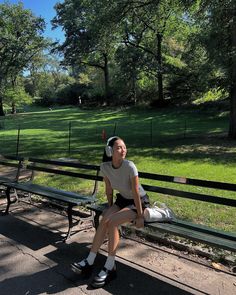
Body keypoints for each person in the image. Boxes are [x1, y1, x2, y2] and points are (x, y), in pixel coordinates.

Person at [71, 136, 150, 288]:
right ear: (109, 151)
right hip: (122, 200)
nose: (123, 150)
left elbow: (135, 192)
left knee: (113, 222)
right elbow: (109, 190)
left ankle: (110, 266)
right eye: (119, 147)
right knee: (104, 220)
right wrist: (110, 207)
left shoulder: (130, 166)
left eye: (124, 147)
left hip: (138, 202)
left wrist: (140, 217)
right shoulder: (105, 167)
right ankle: (90, 260)